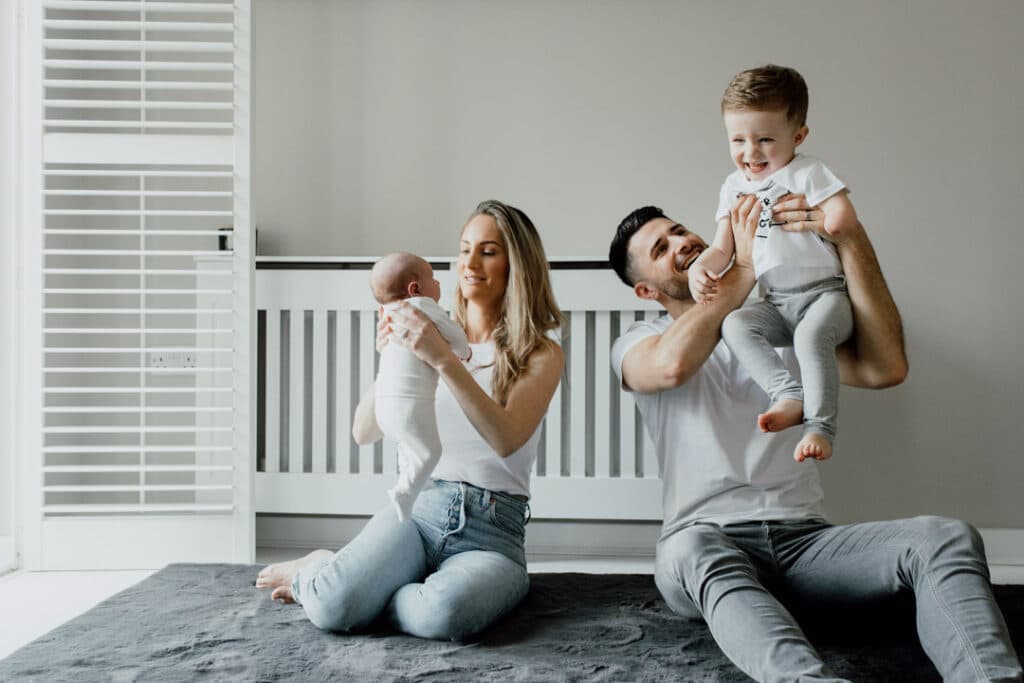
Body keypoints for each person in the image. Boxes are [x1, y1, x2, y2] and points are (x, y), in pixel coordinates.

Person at [608, 200, 1022, 681]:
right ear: (646, 289)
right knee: (690, 548)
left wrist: (851, 240)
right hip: (707, 541)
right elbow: (671, 367)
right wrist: (741, 273)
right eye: (662, 248)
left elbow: (886, 367)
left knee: (946, 538)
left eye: (680, 231)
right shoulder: (639, 341)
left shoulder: (780, 330)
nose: (683, 243)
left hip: (806, 545)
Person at [256, 200, 564, 642]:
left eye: (489, 251)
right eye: (464, 249)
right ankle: (322, 570)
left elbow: (506, 438)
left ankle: (367, 587)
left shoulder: (540, 351)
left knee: (443, 615)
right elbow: (363, 431)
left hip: (492, 535)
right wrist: (388, 359)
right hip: (418, 513)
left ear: (518, 264)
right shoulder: (423, 332)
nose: (469, 264)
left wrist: (442, 359)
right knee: (331, 605)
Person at [689, 65, 857, 463]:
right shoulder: (733, 187)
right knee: (736, 324)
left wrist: (832, 216)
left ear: (797, 136)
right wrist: (701, 266)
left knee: (811, 337)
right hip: (777, 301)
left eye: (765, 139)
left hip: (825, 298)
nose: (750, 152)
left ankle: (820, 427)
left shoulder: (808, 172)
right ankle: (787, 393)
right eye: (738, 140)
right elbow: (721, 249)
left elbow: (843, 217)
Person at [369, 251, 471, 522]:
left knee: (408, 448)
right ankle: (405, 492)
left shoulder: (389, 316)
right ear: (415, 289)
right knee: (430, 452)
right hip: (409, 407)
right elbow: (455, 335)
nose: (438, 284)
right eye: (434, 279)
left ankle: (415, 484)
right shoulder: (422, 306)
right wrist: (462, 350)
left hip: (384, 409)